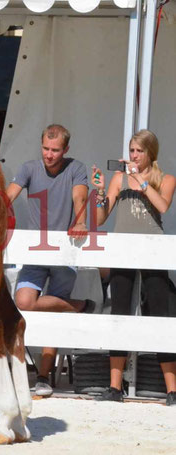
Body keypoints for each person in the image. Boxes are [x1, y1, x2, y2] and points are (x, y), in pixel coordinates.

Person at [6, 124, 95, 397]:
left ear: (65, 150)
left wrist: (80, 220)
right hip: (35, 249)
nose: (49, 154)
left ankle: (43, 376)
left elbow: (79, 195)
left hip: (65, 248)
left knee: (52, 313)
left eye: (55, 150)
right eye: (45, 148)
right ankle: (78, 306)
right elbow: (9, 194)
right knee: (23, 302)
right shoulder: (29, 167)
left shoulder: (76, 168)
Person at [91, 129, 176, 406]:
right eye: (131, 150)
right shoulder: (120, 178)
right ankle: (115, 387)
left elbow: (163, 207)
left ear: (151, 153)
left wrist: (140, 181)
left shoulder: (166, 179)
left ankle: (172, 390)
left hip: (153, 249)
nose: (134, 156)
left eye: (139, 151)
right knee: (120, 312)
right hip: (124, 249)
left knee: (161, 313)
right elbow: (101, 218)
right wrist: (101, 191)